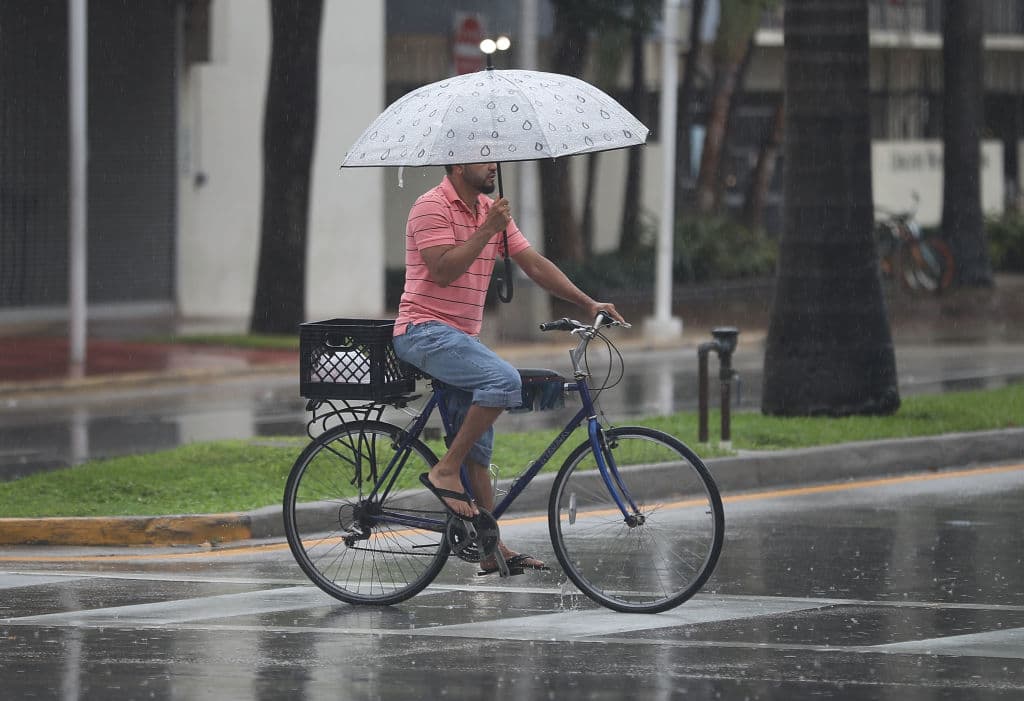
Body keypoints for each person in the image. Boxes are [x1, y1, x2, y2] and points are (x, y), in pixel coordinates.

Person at [392, 162, 625, 575]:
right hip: (423, 331)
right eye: (484, 157)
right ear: (459, 163)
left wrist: (587, 302)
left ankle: (489, 547)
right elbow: (442, 271)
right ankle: (444, 470)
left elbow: (532, 263)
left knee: (478, 454)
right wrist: (486, 231)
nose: (493, 165)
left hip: (461, 339)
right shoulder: (429, 206)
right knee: (503, 380)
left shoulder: (490, 210)